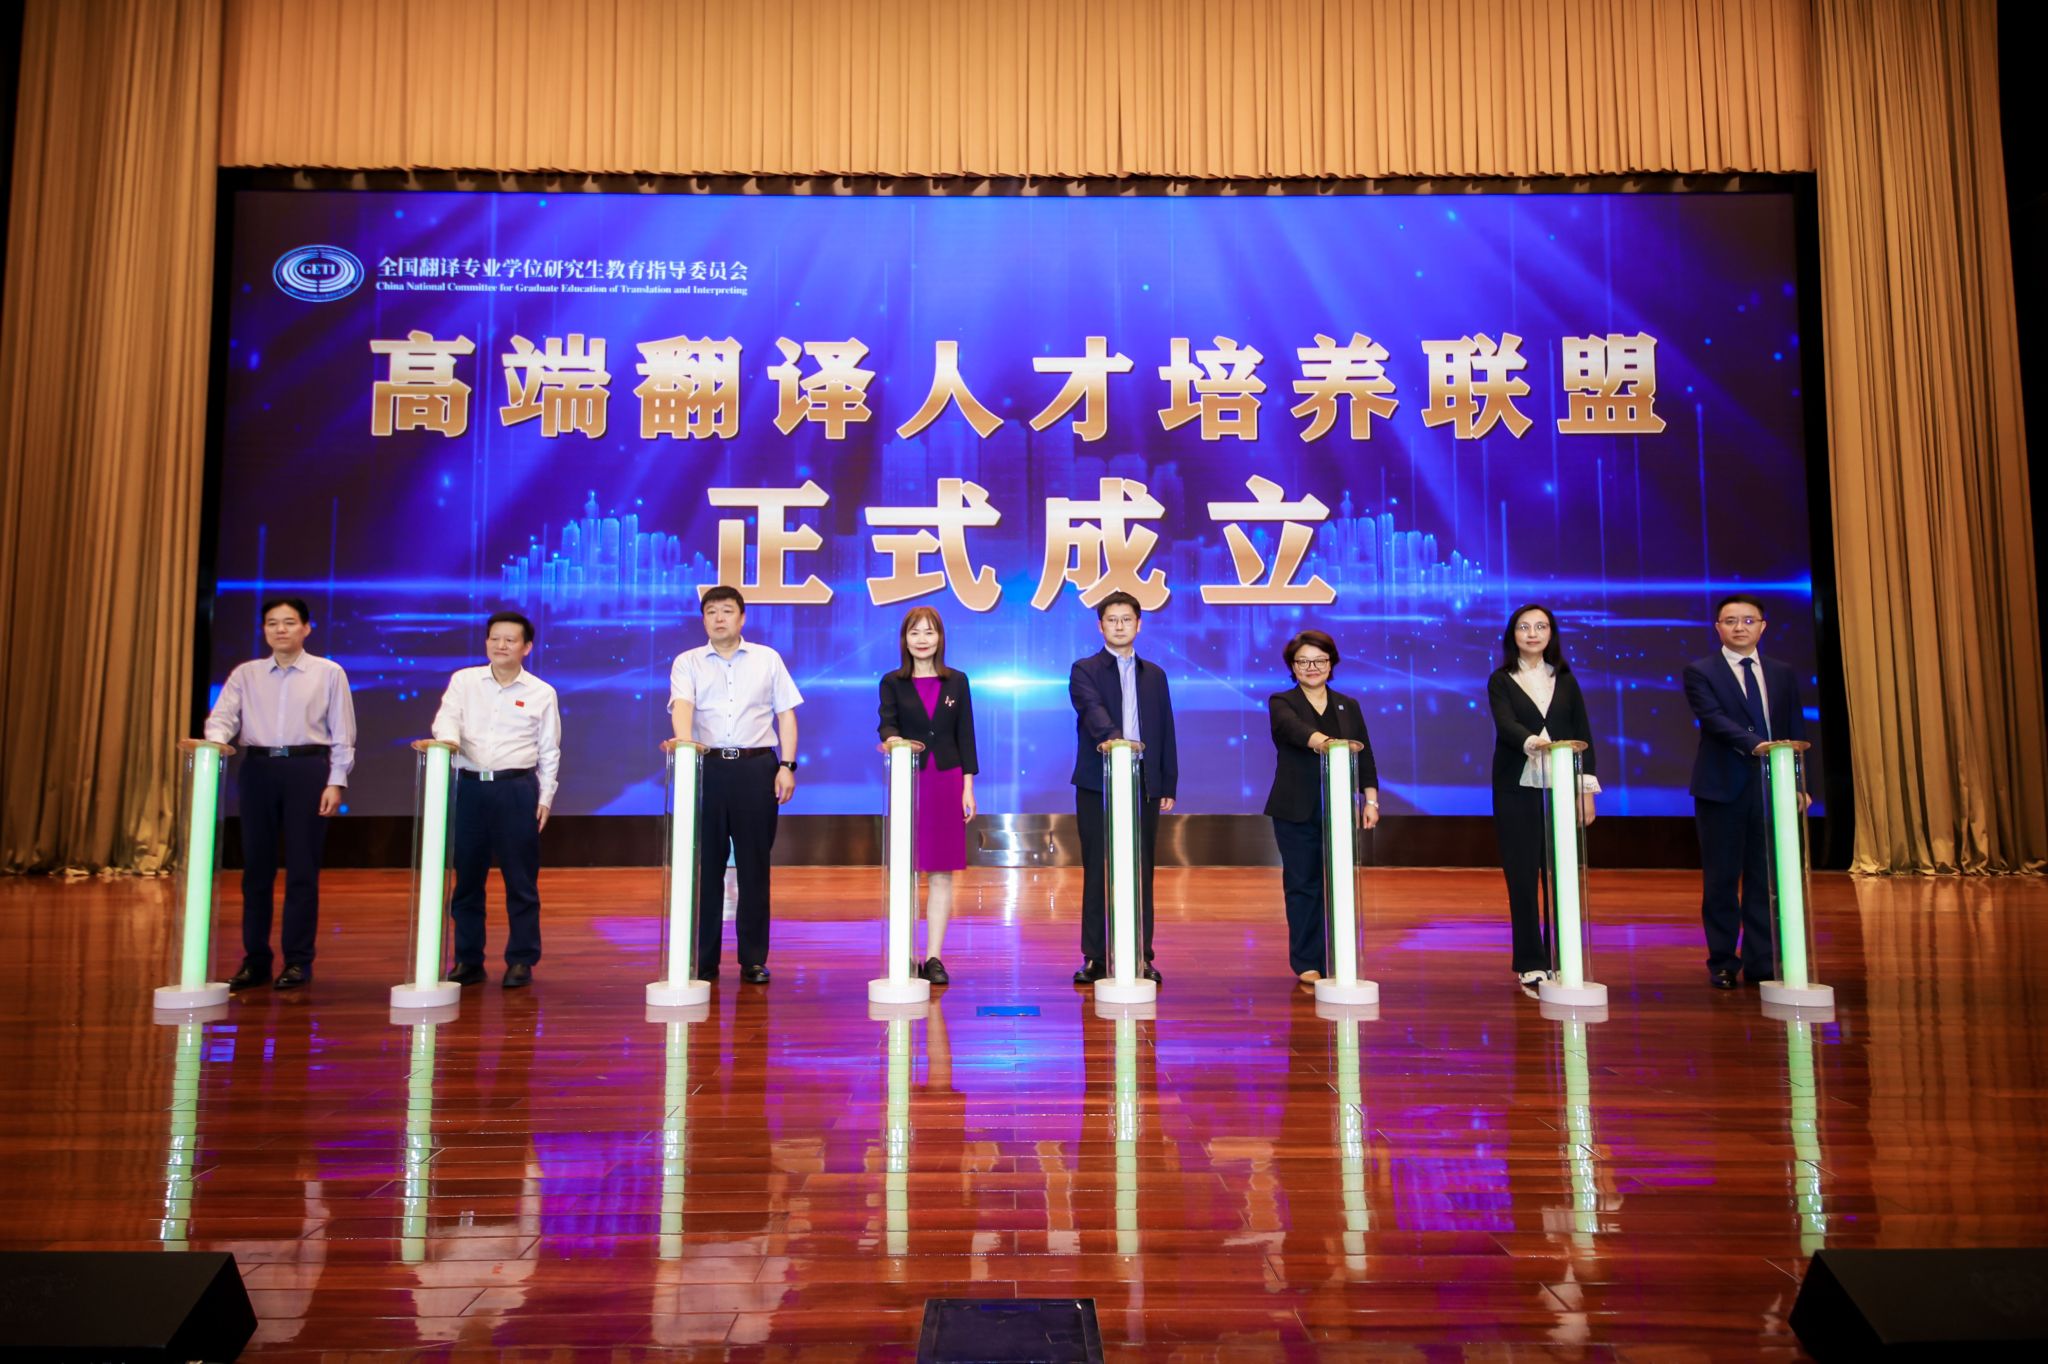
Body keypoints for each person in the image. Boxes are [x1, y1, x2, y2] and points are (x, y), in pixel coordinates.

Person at [204, 596, 357, 991]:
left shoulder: (328, 672)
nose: (280, 629)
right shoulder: (246, 674)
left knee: (303, 869)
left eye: (289, 622)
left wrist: (336, 780)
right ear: (264, 630)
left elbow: (342, 732)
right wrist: (214, 744)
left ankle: (298, 961)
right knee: (256, 869)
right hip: (258, 769)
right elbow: (222, 719)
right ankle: (255, 961)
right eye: (272, 623)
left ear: (306, 628)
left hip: (307, 769)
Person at [669, 586, 802, 986]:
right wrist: (686, 750)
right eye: (711, 611)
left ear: (742, 618)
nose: (719, 618)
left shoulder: (767, 659)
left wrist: (787, 765)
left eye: (727, 611)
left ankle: (753, 959)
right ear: (703, 619)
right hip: (707, 767)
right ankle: (703, 960)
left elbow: (786, 715)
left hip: (756, 768)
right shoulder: (688, 662)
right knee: (706, 867)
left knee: (754, 867)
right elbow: (683, 708)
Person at [430, 610, 561, 990]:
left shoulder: (541, 692)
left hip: (516, 789)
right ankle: (468, 959)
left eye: (510, 639)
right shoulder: (464, 681)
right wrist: (448, 741)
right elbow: (446, 719)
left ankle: (521, 959)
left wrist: (545, 796)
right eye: (494, 638)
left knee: (521, 881)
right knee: (467, 880)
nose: (500, 645)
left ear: (527, 647)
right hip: (470, 787)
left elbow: (549, 750)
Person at [1683, 594, 1808, 990]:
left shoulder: (1782, 672)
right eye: (1731, 620)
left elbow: (1795, 729)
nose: (1740, 627)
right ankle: (1723, 962)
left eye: (1748, 620)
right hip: (1721, 788)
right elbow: (1713, 719)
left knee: (1766, 878)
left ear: (1763, 626)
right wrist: (1759, 746)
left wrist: (1798, 784)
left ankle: (1762, 962)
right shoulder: (1700, 671)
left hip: (1773, 788)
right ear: (1718, 627)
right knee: (1721, 881)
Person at [1486, 604, 1601, 988]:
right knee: (1521, 876)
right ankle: (1531, 962)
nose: (1532, 634)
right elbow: (1506, 725)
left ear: (1551, 633)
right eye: (1524, 627)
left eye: (1540, 627)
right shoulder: (1501, 679)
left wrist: (1586, 790)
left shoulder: (1565, 679)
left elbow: (1583, 733)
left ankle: (1563, 956)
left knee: (1562, 873)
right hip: (1516, 787)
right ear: (1512, 635)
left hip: (1562, 787)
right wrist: (1536, 742)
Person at [1068, 591, 1177, 985]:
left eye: (1126, 619)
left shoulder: (1155, 675)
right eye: (1112, 620)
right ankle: (1096, 957)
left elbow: (1165, 730)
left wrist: (1167, 781)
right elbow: (1091, 711)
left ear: (1139, 624)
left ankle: (1140, 955)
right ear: (1100, 626)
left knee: (1141, 870)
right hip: (1097, 783)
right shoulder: (1084, 669)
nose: (1119, 626)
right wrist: (1116, 740)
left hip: (1143, 783)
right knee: (1099, 869)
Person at [1264, 630, 1379, 985]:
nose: (1311, 667)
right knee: (1303, 884)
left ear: (1331, 664)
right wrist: (1328, 743)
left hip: (1339, 809)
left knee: (1340, 884)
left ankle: (1338, 955)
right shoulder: (1282, 701)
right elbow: (1292, 729)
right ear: (1292, 667)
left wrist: (1370, 799)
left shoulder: (1348, 705)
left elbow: (1365, 754)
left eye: (1319, 661)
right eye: (1303, 661)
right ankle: (1306, 961)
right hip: (1295, 809)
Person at [876, 606, 978, 986]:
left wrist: (968, 786)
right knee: (905, 870)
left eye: (929, 632)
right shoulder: (892, 682)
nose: (922, 639)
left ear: (940, 638)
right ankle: (906, 953)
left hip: (947, 779)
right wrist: (893, 740)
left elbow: (966, 734)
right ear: (904, 639)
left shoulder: (957, 681)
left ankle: (933, 957)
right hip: (910, 780)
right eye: (914, 632)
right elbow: (886, 723)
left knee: (941, 872)